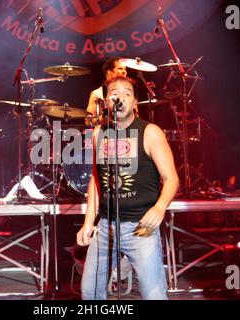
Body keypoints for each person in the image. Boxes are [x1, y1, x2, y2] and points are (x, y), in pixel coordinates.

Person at [76, 76, 179, 300]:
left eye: (127, 93)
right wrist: (88, 222)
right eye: (114, 92)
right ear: (106, 102)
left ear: (134, 103)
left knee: (154, 296)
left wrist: (159, 208)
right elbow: (96, 180)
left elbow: (171, 179)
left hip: (141, 227)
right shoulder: (98, 134)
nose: (120, 97)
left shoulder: (150, 132)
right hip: (106, 227)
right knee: (90, 293)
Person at [85, 57, 127, 127]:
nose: (124, 72)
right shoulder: (97, 94)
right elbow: (88, 121)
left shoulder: (128, 93)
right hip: (106, 135)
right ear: (109, 72)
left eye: (125, 69)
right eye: (120, 68)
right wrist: (106, 118)